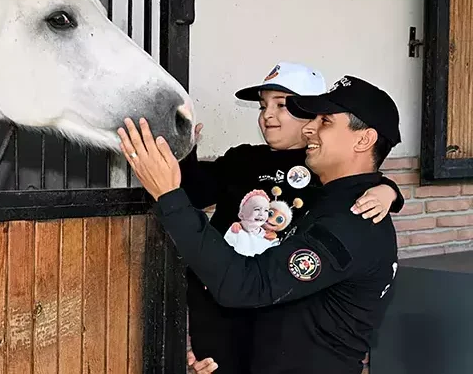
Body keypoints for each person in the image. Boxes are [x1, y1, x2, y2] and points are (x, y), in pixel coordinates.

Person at [117, 74, 402, 374]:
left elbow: (249, 284)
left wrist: (170, 198)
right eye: (264, 106)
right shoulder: (328, 200)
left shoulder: (352, 221)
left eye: (325, 121)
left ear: (364, 139)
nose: (309, 128)